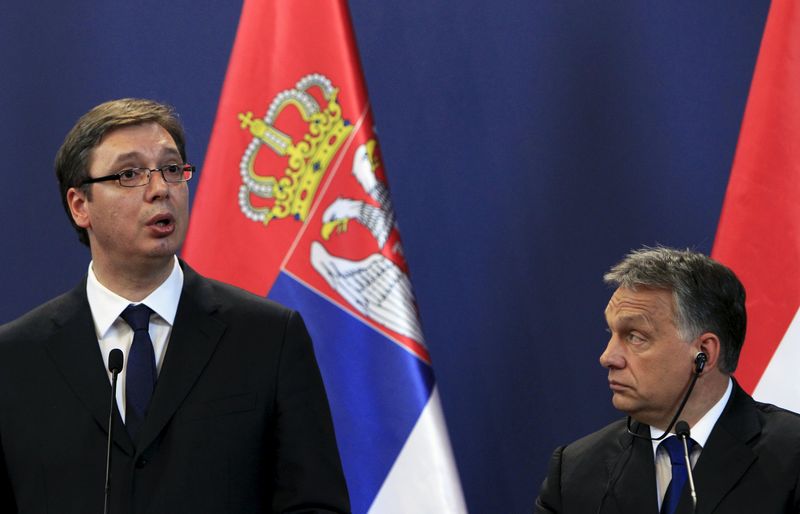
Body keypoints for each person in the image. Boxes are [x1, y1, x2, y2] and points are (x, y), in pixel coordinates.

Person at [0, 98, 350, 513]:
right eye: (130, 174)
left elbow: (315, 504)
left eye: (171, 169)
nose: (160, 189)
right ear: (80, 206)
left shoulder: (268, 337)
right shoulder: (15, 358)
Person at [534, 246, 800, 514]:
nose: (607, 357)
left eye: (635, 337)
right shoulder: (574, 472)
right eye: (611, 333)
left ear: (704, 354)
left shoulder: (792, 457)